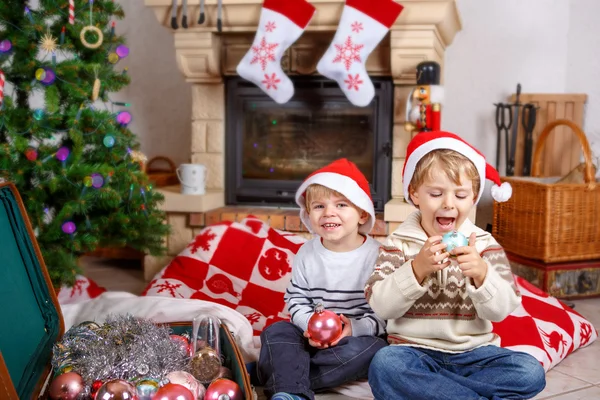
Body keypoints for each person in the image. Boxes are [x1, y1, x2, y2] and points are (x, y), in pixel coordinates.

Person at [365, 131, 546, 400]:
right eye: (436, 193)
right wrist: (416, 269)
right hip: (414, 352)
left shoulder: (484, 244)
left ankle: (435, 391)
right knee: (385, 366)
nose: (449, 203)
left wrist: (482, 275)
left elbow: (501, 310)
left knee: (530, 371)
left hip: (475, 354)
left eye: (460, 195)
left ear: (473, 198)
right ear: (414, 194)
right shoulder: (398, 243)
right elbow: (380, 305)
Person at [257, 158, 387, 400]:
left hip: (355, 339)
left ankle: (282, 377)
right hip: (310, 337)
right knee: (277, 331)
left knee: (376, 350)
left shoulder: (379, 255)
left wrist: (353, 329)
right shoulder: (307, 253)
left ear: (361, 214)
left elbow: (385, 311)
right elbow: (296, 298)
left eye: (341, 205)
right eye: (319, 207)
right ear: (308, 215)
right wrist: (308, 326)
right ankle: (289, 387)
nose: (329, 212)